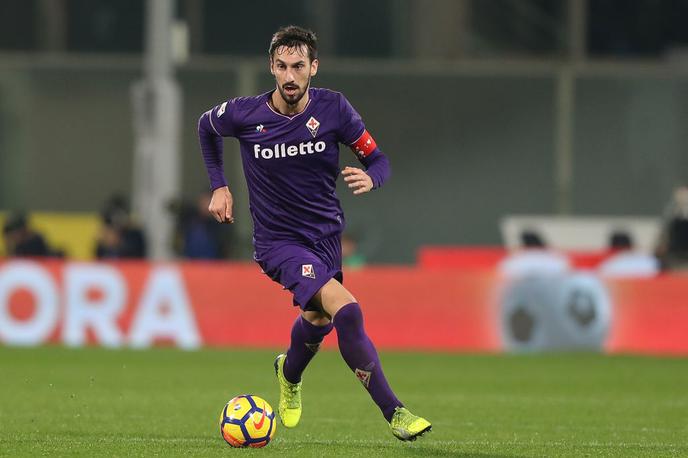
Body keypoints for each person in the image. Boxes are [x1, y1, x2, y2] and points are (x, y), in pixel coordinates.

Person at [197, 26, 430, 441]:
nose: (290, 76)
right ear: (271, 67)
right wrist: (219, 184)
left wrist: (372, 178)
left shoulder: (335, 110)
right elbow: (205, 126)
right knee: (347, 310)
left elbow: (379, 160)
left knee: (318, 319)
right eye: (282, 66)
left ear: (313, 68)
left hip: (325, 237)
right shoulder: (245, 114)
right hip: (277, 243)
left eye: (298, 66)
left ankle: (287, 373)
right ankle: (395, 413)